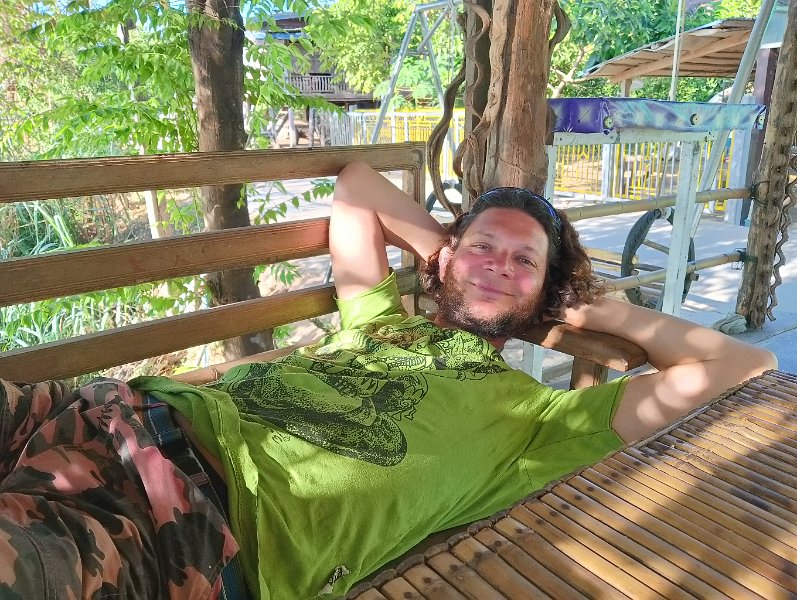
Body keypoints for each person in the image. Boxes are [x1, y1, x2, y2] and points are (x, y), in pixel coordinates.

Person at [0, 162, 777, 599]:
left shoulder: (537, 422)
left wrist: (592, 308)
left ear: (548, 289)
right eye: (483, 246)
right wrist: (450, 253)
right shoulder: (380, 322)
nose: (497, 265)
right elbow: (357, 187)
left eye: (523, 262)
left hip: (177, 530)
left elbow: (743, 365)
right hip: (100, 414)